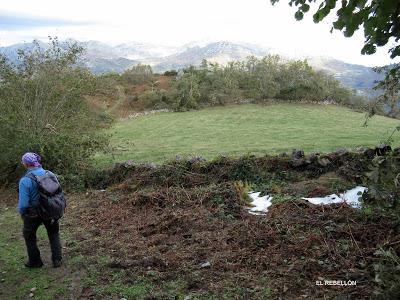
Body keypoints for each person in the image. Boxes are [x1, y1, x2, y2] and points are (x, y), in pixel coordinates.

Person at [18, 152, 62, 268]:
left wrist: (23, 214)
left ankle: (35, 262)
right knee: (53, 233)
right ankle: (57, 259)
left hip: (33, 214)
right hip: (50, 209)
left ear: (26, 164)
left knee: (29, 235)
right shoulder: (50, 174)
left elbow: (23, 204)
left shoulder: (25, 180)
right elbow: (58, 192)